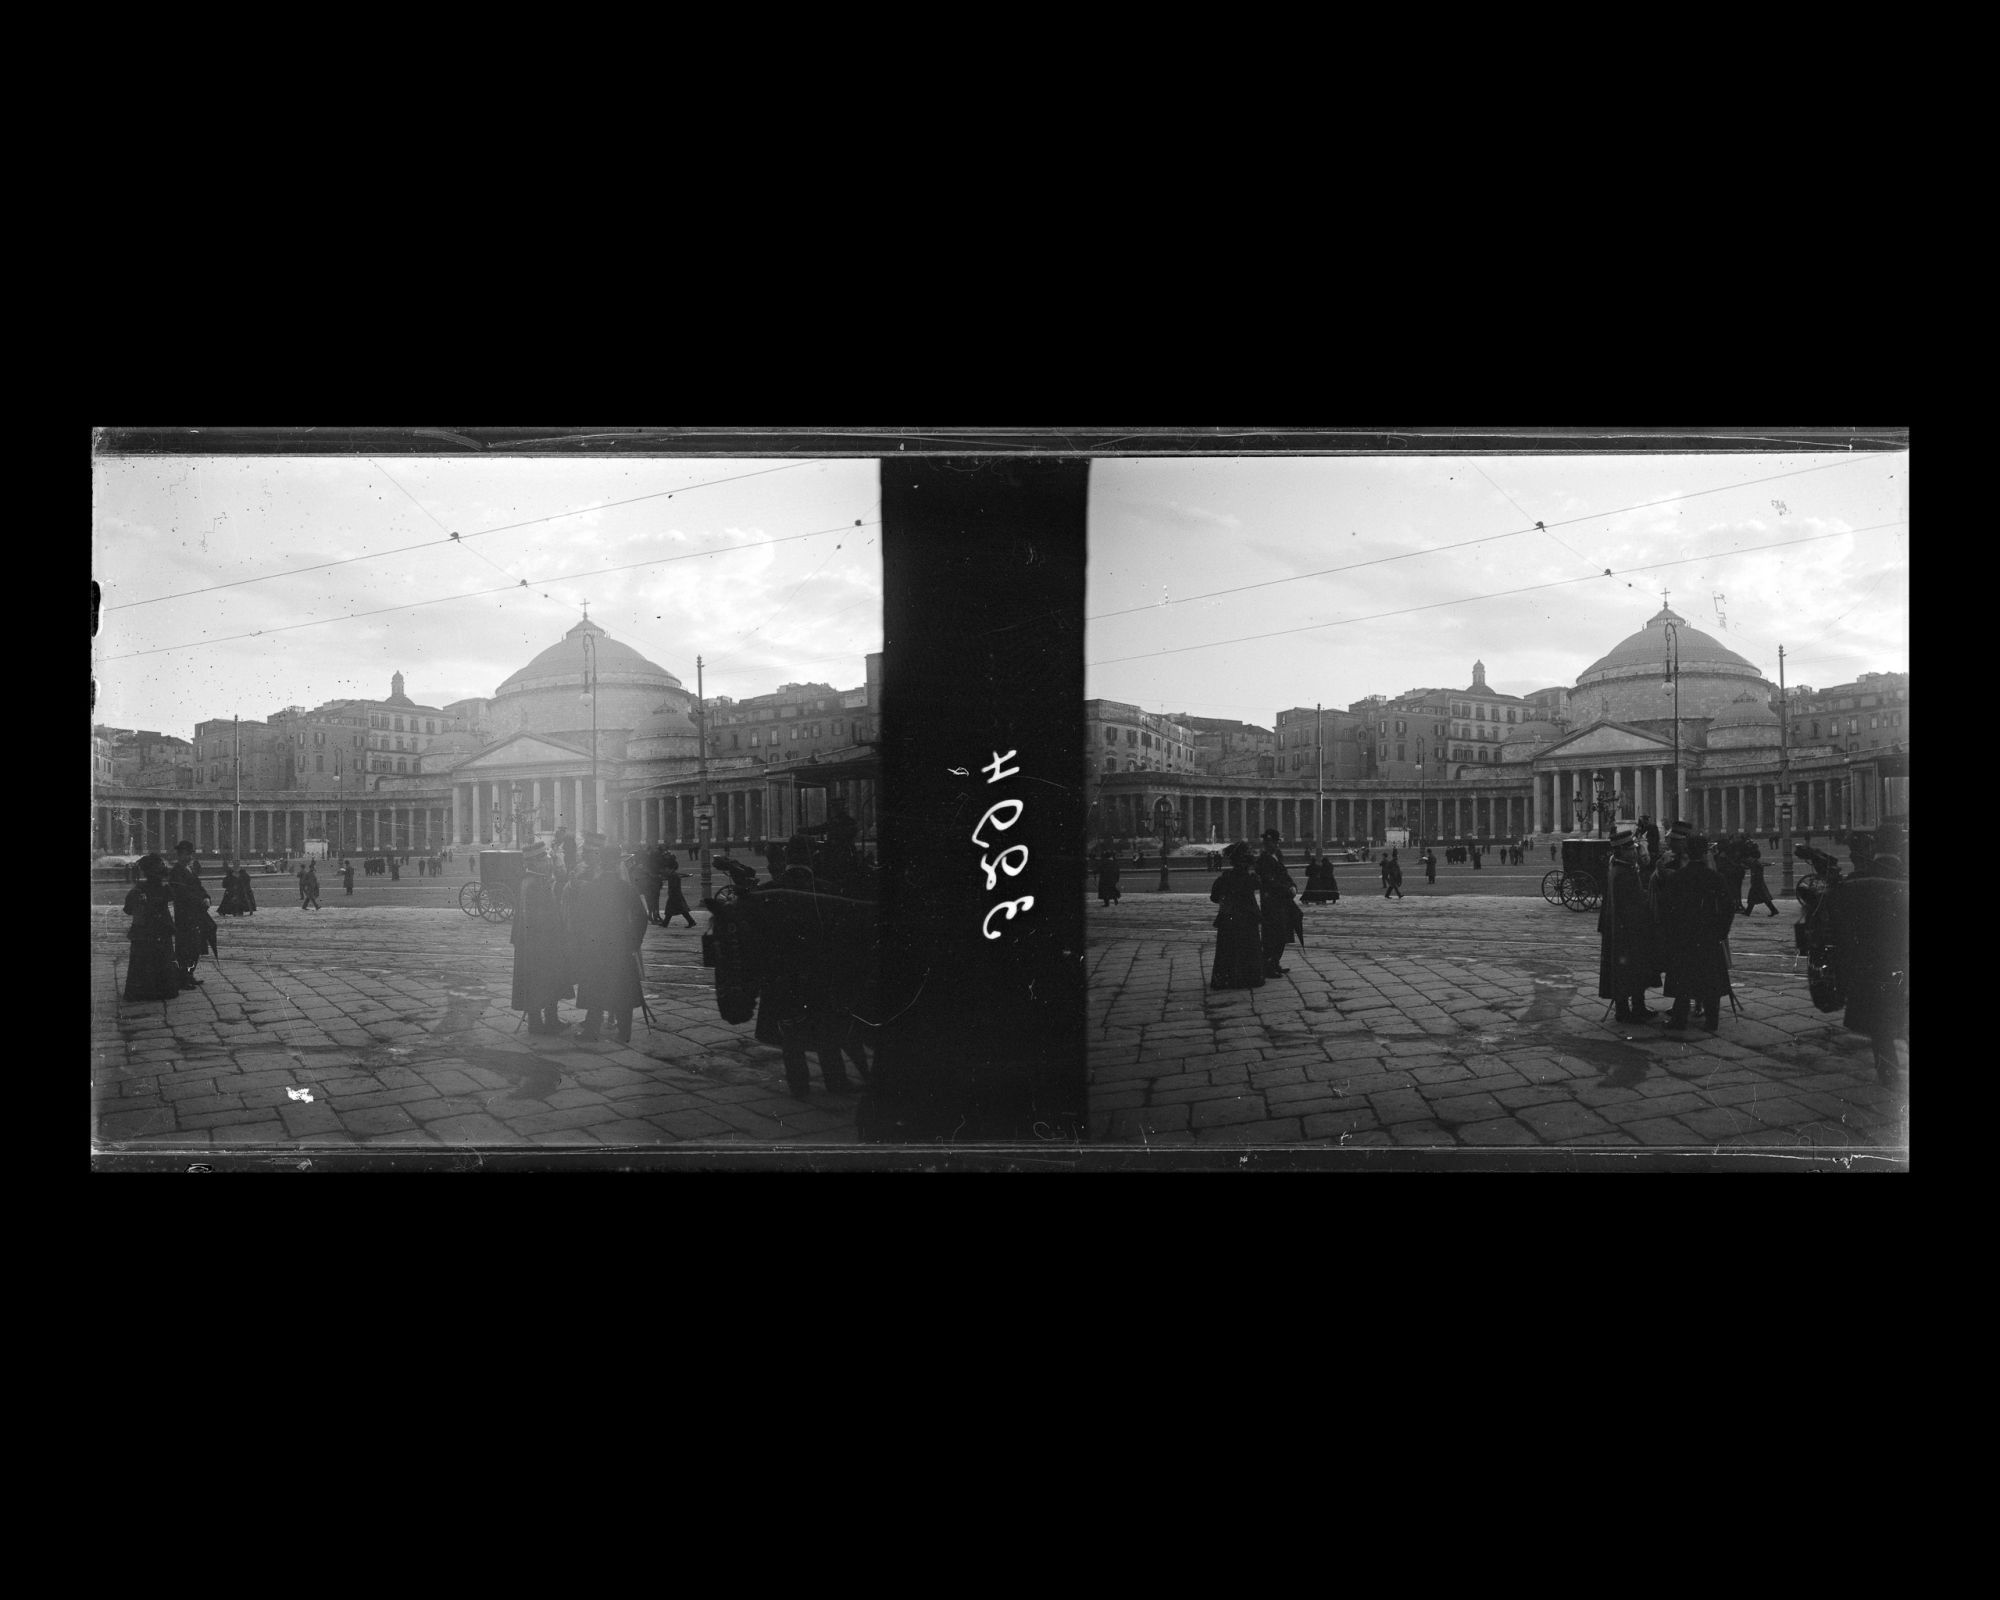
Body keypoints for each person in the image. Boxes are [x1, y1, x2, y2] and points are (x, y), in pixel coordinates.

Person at [1817, 831, 1909, 1085]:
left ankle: (1888, 1074)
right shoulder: (1903, 879)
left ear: (1874, 849)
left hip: (1871, 967)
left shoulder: (1854, 883)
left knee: (1881, 1026)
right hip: (1904, 963)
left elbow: (1832, 924)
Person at [563, 845, 650, 1044]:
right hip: (621, 946)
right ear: (618, 862)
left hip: (595, 947)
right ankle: (624, 1033)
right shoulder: (626, 887)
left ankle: (591, 1031)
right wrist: (634, 942)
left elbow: (578, 919)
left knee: (594, 989)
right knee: (623, 990)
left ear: (601, 862)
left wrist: (583, 941)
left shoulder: (590, 888)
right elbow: (641, 917)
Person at [1654, 827, 1732, 1031]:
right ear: (1705, 851)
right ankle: (1712, 1021)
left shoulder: (1678, 878)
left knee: (1682, 979)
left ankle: (1679, 1020)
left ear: (1687, 851)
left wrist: (1672, 932)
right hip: (1709, 936)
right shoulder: (1715, 877)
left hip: (1684, 937)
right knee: (1710, 979)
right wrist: (1721, 932)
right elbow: (1728, 908)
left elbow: (1666, 908)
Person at [1597, 827, 1662, 1024]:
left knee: (1626, 970)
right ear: (1622, 851)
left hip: (1619, 930)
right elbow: (1632, 905)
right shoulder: (1623, 873)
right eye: (1631, 849)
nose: (1635, 852)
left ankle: (1629, 1008)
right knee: (1632, 969)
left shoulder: (1618, 868)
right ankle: (1631, 1010)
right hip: (1629, 931)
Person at [511, 841, 576, 1035]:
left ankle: (541, 1021)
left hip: (531, 943)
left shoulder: (529, 881)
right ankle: (545, 1022)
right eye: (545, 859)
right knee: (545, 980)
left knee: (538, 982)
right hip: (542, 944)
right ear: (536, 862)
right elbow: (542, 918)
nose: (548, 862)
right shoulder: (536, 884)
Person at [122, 854, 184, 1001]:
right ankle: (162, 990)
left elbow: (128, 909)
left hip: (145, 931)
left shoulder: (139, 889)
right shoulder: (162, 888)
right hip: (160, 929)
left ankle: (144, 991)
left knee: (144, 961)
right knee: (161, 959)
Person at [1208, 843, 1265, 990]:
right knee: (1248, 949)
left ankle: (1228, 978)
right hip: (1247, 918)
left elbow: (1214, 897)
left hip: (1229, 919)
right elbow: (1259, 885)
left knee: (1228, 950)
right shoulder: (1251, 879)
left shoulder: (1224, 878)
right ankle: (1248, 978)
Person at [167, 841, 213, 988]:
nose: (190, 856)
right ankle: (183, 978)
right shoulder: (176, 871)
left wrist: (206, 897)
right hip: (185, 915)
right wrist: (201, 901)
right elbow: (182, 893)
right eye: (187, 854)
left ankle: (190, 974)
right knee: (185, 947)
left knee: (195, 946)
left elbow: (198, 886)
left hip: (195, 913)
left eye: (191, 853)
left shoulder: (189, 869)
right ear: (180, 855)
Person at [1255, 829, 1297, 976]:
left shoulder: (1277, 856)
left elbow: (1284, 875)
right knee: (1271, 936)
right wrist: (1287, 890)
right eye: (1269, 842)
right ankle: (1268, 966)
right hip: (1271, 903)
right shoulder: (1263, 859)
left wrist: (1293, 886)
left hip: (1281, 901)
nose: (1273, 844)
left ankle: (1275, 962)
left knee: (1281, 934)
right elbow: (1269, 881)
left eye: (1274, 842)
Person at [659, 850, 697, 927]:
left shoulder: (673, 875)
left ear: (669, 868)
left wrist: (671, 893)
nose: (665, 870)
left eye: (666, 869)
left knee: (674, 910)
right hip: (676, 895)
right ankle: (666, 923)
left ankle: (666, 923)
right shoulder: (673, 874)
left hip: (674, 895)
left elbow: (673, 886)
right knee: (678, 910)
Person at [1743, 843, 1778, 916]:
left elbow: (1755, 872)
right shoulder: (1756, 862)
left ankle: (1748, 912)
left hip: (1756, 883)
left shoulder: (1755, 863)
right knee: (1759, 898)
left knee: (1756, 898)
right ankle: (1748, 912)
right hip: (1758, 883)